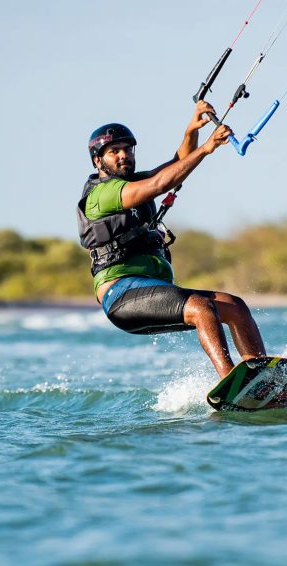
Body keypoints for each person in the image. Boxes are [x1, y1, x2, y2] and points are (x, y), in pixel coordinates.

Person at [77, 101, 267, 378]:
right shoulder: (101, 194)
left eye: (128, 149)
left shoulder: (132, 182)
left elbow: (176, 164)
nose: (123, 156)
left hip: (151, 288)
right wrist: (207, 148)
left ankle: (260, 374)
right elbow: (160, 184)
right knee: (201, 308)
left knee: (235, 307)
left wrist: (192, 130)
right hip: (121, 295)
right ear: (98, 160)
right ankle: (231, 382)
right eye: (114, 151)